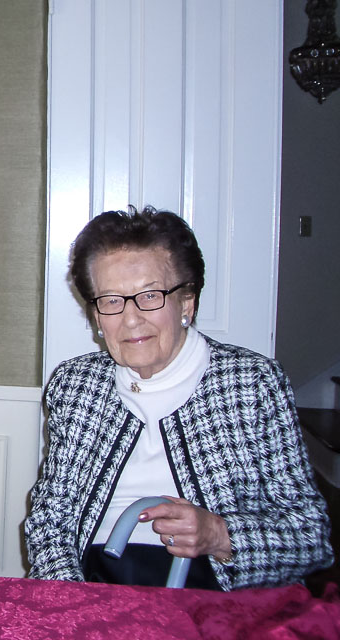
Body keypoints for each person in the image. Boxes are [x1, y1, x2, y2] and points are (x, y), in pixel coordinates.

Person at [25, 206, 333, 590]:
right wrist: (74, 602)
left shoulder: (252, 383)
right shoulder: (76, 385)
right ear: (97, 317)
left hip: (216, 596)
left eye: (150, 295)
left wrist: (220, 534)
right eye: (111, 300)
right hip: (97, 585)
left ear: (187, 302)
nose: (131, 319)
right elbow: (49, 524)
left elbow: (311, 537)